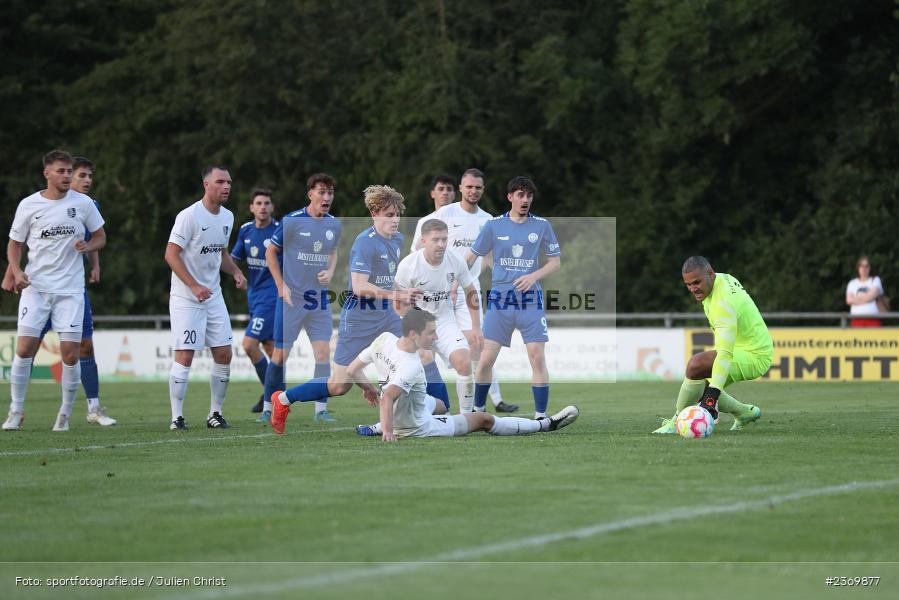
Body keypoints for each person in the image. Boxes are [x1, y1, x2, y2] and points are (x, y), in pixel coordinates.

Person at [269, 185, 447, 435]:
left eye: (397, 214)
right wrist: (397, 294)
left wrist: (406, 296)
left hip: (387, 315)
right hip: (358, 319)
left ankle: (443, 411)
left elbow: (388, 280)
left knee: (424, 352)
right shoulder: (365, 243)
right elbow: (360, 286)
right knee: (339, 386)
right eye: (388, 214)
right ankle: (283, 399)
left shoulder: (396, 239)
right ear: (374, 215)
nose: (394, 220)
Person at [338, 309, 578, 441]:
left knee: (440, 404)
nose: (436, 337)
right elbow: (388, 397)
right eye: (431, 333)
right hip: (416, 427)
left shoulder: (384, 340)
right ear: (414, 334)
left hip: (407, 407)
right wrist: (390, 434)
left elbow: (352, 370)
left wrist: (367, 388)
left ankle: (383, 424)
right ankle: (546, 425)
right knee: (483, 419)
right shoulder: (411, 366)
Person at [1, 156, 116, 426]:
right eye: (61, 171)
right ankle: (15, 412)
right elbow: (15, 244)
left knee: (71, 353)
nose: (67, 176)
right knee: (24, 349)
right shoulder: (29, 204)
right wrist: (16, 272)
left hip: (70, 291)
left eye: (69, 171)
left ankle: (64, 415)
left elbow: (100, 236)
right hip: (36, 288)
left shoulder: (84, 204)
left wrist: (89, 248)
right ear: (47, 174)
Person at [465, 176, 561, 419]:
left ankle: (541, 417)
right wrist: (454, 281)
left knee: (537, 357)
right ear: (510, 197)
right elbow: (472, 256)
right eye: (520, 195)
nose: (525, 199)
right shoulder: (494, 225)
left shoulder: (541, 225)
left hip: (530, 301)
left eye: (528, 195)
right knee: (486, 360)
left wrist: (533, 276)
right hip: (500, 301)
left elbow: (555, 262)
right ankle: (478, 411)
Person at [427, 168, 516, 413]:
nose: (473, 191)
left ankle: (484, 404)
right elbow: (424, 245)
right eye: (469, 187)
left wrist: (504, 280)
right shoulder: (445, 213)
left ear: (482, 190)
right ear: (462, 189)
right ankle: (426, 401)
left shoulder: (487, 220)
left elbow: (488, 256)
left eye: (477, 187)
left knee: (478, 344)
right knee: (427, 344)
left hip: (469, 288)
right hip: (439, 287)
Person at [164, 165, 246, 431]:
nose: (226, 187)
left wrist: (235, 271)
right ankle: (177, 417)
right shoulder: (189, 216)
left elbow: (220, 253)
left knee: (224, 353)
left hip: (213, 296)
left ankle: (215, 413)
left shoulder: (227, 217)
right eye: (221, 182)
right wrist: (194, 285)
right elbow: (171, 255)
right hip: (186, 298)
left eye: (229, 182)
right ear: (206, 185)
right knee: (185, 356)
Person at [653, 256, 771, 434]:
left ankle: (677, 422)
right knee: (701, 385)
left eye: (697, 282)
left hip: (754, 354)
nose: (693, 289)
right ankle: (745, 412)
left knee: (696, 366)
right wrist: (711, 392)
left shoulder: (722, 303)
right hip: (745, 348)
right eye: (688, 284)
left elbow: (724, 353)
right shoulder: (721, 280)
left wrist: (712, 398)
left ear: (710, 274)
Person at [261, 174, 340, 424]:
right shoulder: (293, 221)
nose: (326, 197)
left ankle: (321, 410)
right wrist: (281, 285)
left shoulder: (333, 224)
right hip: (292, 299)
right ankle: (267, 407)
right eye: (321, 192)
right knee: (280, 356)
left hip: (317, 300)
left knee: (323, 354)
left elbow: (334, 252)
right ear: (310, 194)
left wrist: (330, 272)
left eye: (330, 193)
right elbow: (271, 252)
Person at [393, 218, 482, 413]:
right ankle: (438, 411)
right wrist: (407, 302)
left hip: (443, 320)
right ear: (423, 240)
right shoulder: (408, 265)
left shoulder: (455, 260)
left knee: (464, 363)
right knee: (421, 363)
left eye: (444, 239)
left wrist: (476, 327)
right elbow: (397, 306)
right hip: (415, 322)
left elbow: (470, 291)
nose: (441, 244)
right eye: (436, 240)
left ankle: (466, 417)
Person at [229, 188, 280, 416]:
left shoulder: (279, 231)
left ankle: (273, 394)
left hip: (272, 297)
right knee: (270, 348)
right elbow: (233, 259)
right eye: (258, 203)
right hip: (254, 296)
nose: (263, 207)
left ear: (272, 207)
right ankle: (275, 394)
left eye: (267, 203)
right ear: (251, 207)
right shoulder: (246, 230)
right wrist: (236, 274)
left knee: (249, 345)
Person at [846, 256, 886, 327]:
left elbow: (873, 294)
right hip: (856, 320)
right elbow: (849, 300)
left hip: (873, 319)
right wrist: (868, 298)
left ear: (869, 268)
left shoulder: (875, 280)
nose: (864, 268)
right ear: (858, 268)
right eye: (861, 266)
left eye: (866, 266)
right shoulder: (852, 283)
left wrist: (856, 299)